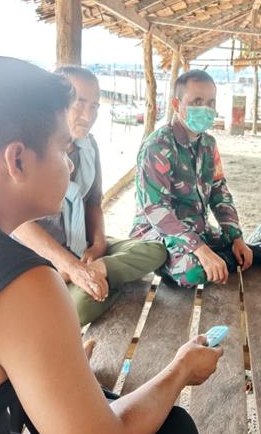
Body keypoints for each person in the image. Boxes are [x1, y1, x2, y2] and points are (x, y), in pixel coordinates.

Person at [0, 55, 221, 434]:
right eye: (64, 149)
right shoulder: (22, 284)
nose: (70, 163)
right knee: (174, 432)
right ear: (17, 160)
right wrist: (181, 369)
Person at [13, 66, 166, 326]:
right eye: (79, 104)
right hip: (43, 258)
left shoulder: (88, 146)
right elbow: (17, 222)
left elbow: (93, 201)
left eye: (94, 106)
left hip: (82, 247)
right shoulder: (31, 149)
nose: (88, 115)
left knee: (155, 250)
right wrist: (69, 266)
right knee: (80, 307)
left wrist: (98, 245)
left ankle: (98, 276)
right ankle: (103, 281)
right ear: (55, 103)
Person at [131, 69, 261, 287]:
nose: (205, 108)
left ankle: (227, 255)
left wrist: (235, 237)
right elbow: (156, 210)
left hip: (197, 228)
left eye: (211, 103)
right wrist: (199, 248)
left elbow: (219, 191)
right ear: (176, 105)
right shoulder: (157, 147)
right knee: (193, 272)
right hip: (157, 233)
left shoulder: (209, 144)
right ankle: (222, 258)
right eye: (197, 101)